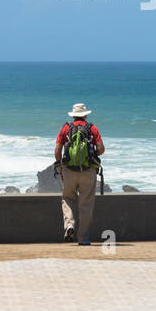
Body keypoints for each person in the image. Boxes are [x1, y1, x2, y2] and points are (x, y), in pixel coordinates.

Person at [55, 102, 104, 245]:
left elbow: (57, 150)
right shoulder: (92, 128)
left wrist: (61, 167)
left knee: (67, 198)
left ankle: (69, 225)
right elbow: (101, 149)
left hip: (69, 171)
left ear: (73, 115)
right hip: (88, 171)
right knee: (86, 204)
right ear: (85, 115)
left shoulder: (66, 128)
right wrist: (91, 154)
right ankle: (83, 238)